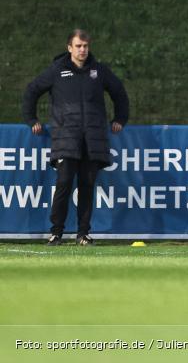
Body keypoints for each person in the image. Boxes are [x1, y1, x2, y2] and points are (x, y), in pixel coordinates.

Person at [21, 30, 129, 246]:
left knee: (87, 185)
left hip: (93, 139)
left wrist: (120, 119)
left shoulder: (99, 70)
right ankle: (56, 232)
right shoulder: (56, 70)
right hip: (65, 138)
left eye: (85, 46)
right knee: (63, 183)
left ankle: (83, 234)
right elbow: (32, 90)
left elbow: (119, 92)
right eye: (78, 46)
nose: (82, 50)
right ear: (69, 48)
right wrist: (32, 119)